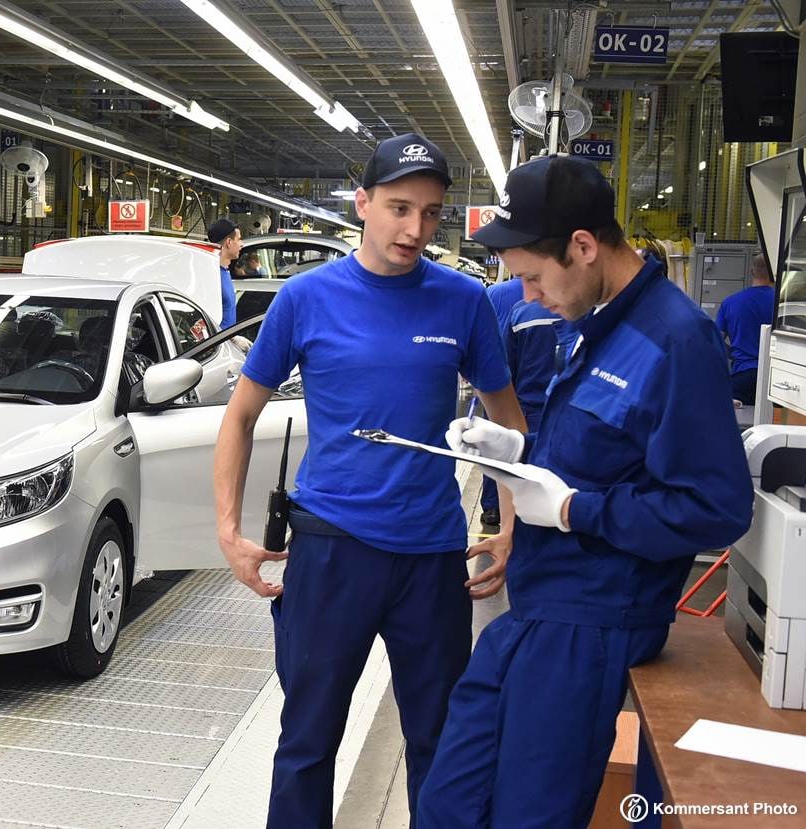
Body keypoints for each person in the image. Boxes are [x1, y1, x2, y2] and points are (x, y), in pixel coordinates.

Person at [419, 155, 754, 828]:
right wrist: (517, 456)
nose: (531, 298)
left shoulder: (675, 340)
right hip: (538, 608)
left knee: (525, 816)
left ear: (583, 246)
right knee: (447, 802)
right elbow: (604, 454)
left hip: (595, 621)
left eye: (534, 279)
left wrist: (574, 509)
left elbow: (716, 507)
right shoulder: (593, 327)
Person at [213, 133, 527, 829]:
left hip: (430, 558)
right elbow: (237, 417)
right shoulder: (305, 299)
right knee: (307, 741)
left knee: (440, 744)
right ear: (362, 204)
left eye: (431, 212)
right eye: (398, 207)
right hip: (331, 552)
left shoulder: (463, 303)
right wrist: (229, 532)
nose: (415, 228)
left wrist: (509, 525)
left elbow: (507, 421)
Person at [478, 276, 525, 527]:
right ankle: (521, 510)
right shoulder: (552, 293)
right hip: (532, 383)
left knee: (493, 442)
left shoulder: (494, 293)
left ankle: (492, 506)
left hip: (497, 376)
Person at [715, 252, 775, 405]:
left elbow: (715, 340)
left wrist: (734, 353)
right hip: (775, 379)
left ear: (751, 271)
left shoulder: (730, 302)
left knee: (739, 424)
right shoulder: (780, 302)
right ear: (774, 273)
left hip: (743, 374)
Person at [208, 217, 241, 328]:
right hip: (217, 343)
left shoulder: (225, 271)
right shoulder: (212, 275)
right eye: (238, 239)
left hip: (227, 342)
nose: (242, 244)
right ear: (229, 242)